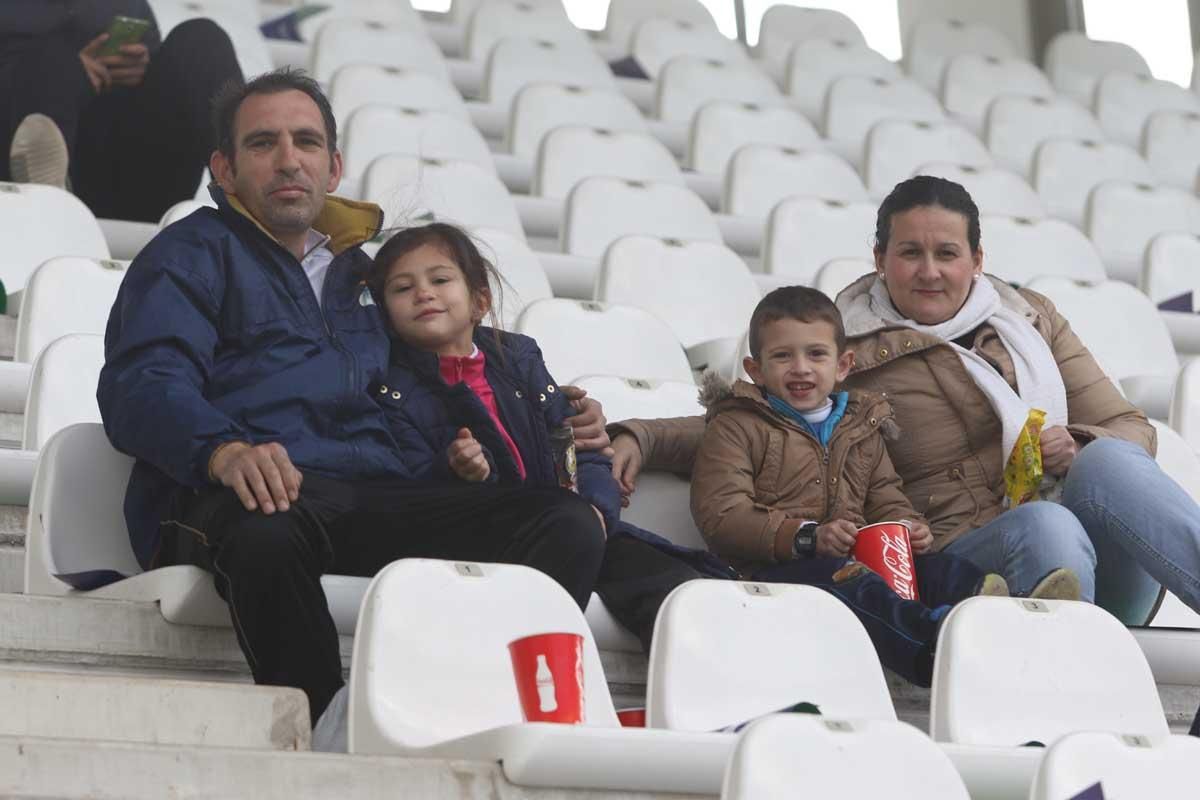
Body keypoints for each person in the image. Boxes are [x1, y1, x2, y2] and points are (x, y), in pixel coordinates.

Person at [98, 69, 610, 731]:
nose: (289, 159)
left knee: (559, 523)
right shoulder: (190, 255)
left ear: (333, 165)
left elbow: (461, 356)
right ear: (223, 169)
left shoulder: (372, 273)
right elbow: (143, 383)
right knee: (266, 534)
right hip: (245, 492)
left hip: (378, 491)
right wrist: (223, 450)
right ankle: (326, 733)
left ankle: (453, 712)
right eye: (263, 144)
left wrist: (570, 414)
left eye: (306, 142)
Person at [611, 175, 1200, 626]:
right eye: (909, 253)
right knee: (1044, 525)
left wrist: (1079, 443)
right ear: (879, 259)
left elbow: (1130, 426)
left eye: (947, 254)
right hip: (960, 559)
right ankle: (1059, 695)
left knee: (1111, 458)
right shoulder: (839, 347)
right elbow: (754, 426)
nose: (929, 271)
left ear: (976, 261)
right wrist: (642, 433)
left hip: (1100, 555)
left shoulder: (1030, 317)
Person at [690, 285, 1077, 685]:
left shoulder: (860, 425)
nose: (801, 368)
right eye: (783, 356)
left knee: (941, 570)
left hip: (856, 558)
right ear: (755, 370)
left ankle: (1009, 619)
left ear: (843, 365)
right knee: (851, 582)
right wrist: (805, 537)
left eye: (816, 354)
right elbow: (722, 515)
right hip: (773, 576)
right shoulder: (736, 426)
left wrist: (907, 526)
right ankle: (939, 644)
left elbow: (885, 495)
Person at [365, 222, 716, 651]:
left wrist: (599, 511)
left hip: (576, 528)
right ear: (384, 314)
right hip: (494, 541)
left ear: (480, 300)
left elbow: (582, 449)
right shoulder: (391, 388)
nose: (423, 293)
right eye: (403, 289)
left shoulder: (518, 359)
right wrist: (457, 471)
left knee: (680, 591)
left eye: (440, 280)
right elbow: (409, 488)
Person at [0, 1, 241, 221]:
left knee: (202, 40)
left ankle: (248, 207)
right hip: (23, 168)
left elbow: (172, 83)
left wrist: (141, 66)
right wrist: (73, 71)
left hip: (129, 175)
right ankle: (50, 205)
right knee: (51, 60)